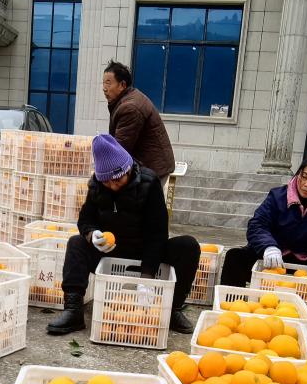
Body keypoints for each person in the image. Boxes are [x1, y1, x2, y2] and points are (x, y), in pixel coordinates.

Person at [48, 134, 199, 336]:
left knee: (188, 246)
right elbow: (85, 219)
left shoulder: (149, 183)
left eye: (117, 178)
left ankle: (172, 309)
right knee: (76, 243)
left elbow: (158, 233)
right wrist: (92, 235)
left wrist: (147, 278)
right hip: (112, 251)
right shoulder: (96, 187)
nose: (113, 185)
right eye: (107, 181)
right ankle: (73, 310)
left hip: (145, 251)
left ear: (127, 169)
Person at [219, 157, 307, 286]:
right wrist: (268, 246)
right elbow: (258, 224)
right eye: (304, 176)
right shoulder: (278, 196)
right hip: (274, 258)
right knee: (235, 257)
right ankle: (232, 304)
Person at [102, 60, 175, 189]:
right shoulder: (128, 99)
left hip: (152, 170)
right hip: (150, 167)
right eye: (103, 83)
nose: (104, 88)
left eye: (108, 83)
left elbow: (120, 149)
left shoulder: (130, 108)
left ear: (122, 85)